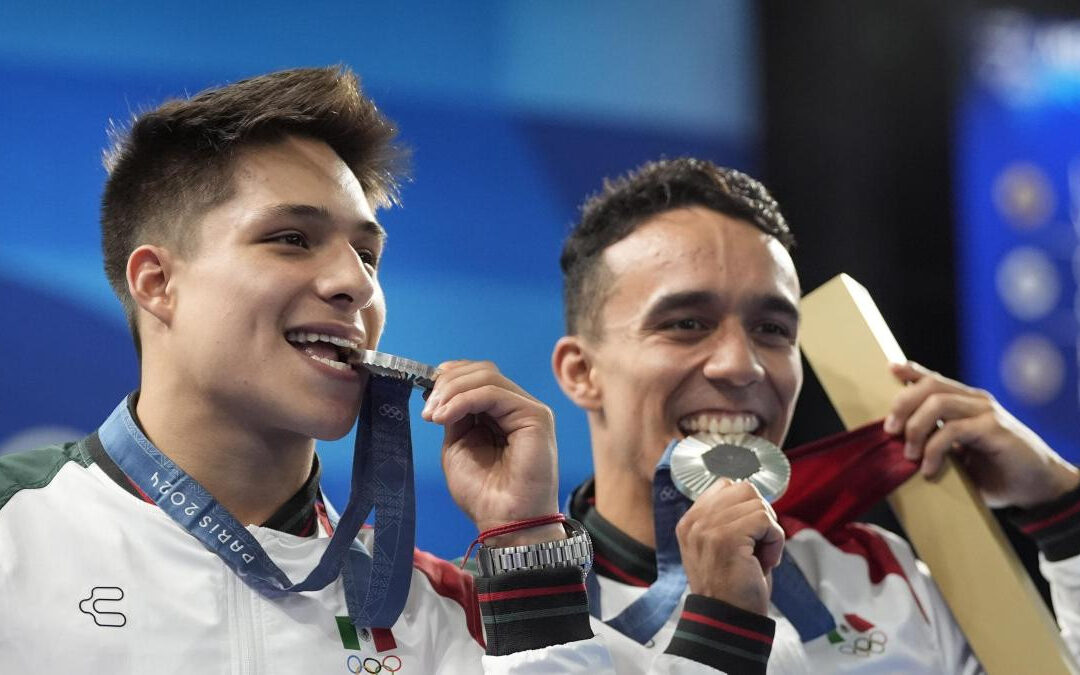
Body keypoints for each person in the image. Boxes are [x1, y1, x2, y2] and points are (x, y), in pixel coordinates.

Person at [0, 67, 612, 673]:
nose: (355, 284)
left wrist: (524, 541)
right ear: (158, 284)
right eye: (292, 238)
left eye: (367, 255)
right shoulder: (13, 528)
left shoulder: (448, 612)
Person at [550, 157, 1080, 672]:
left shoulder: (881, 575)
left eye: (773, 329)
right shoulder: (503, 619)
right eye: (687, 323)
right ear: (581, 372)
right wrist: (722, 629)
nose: (742, 366)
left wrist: (1063, 510)